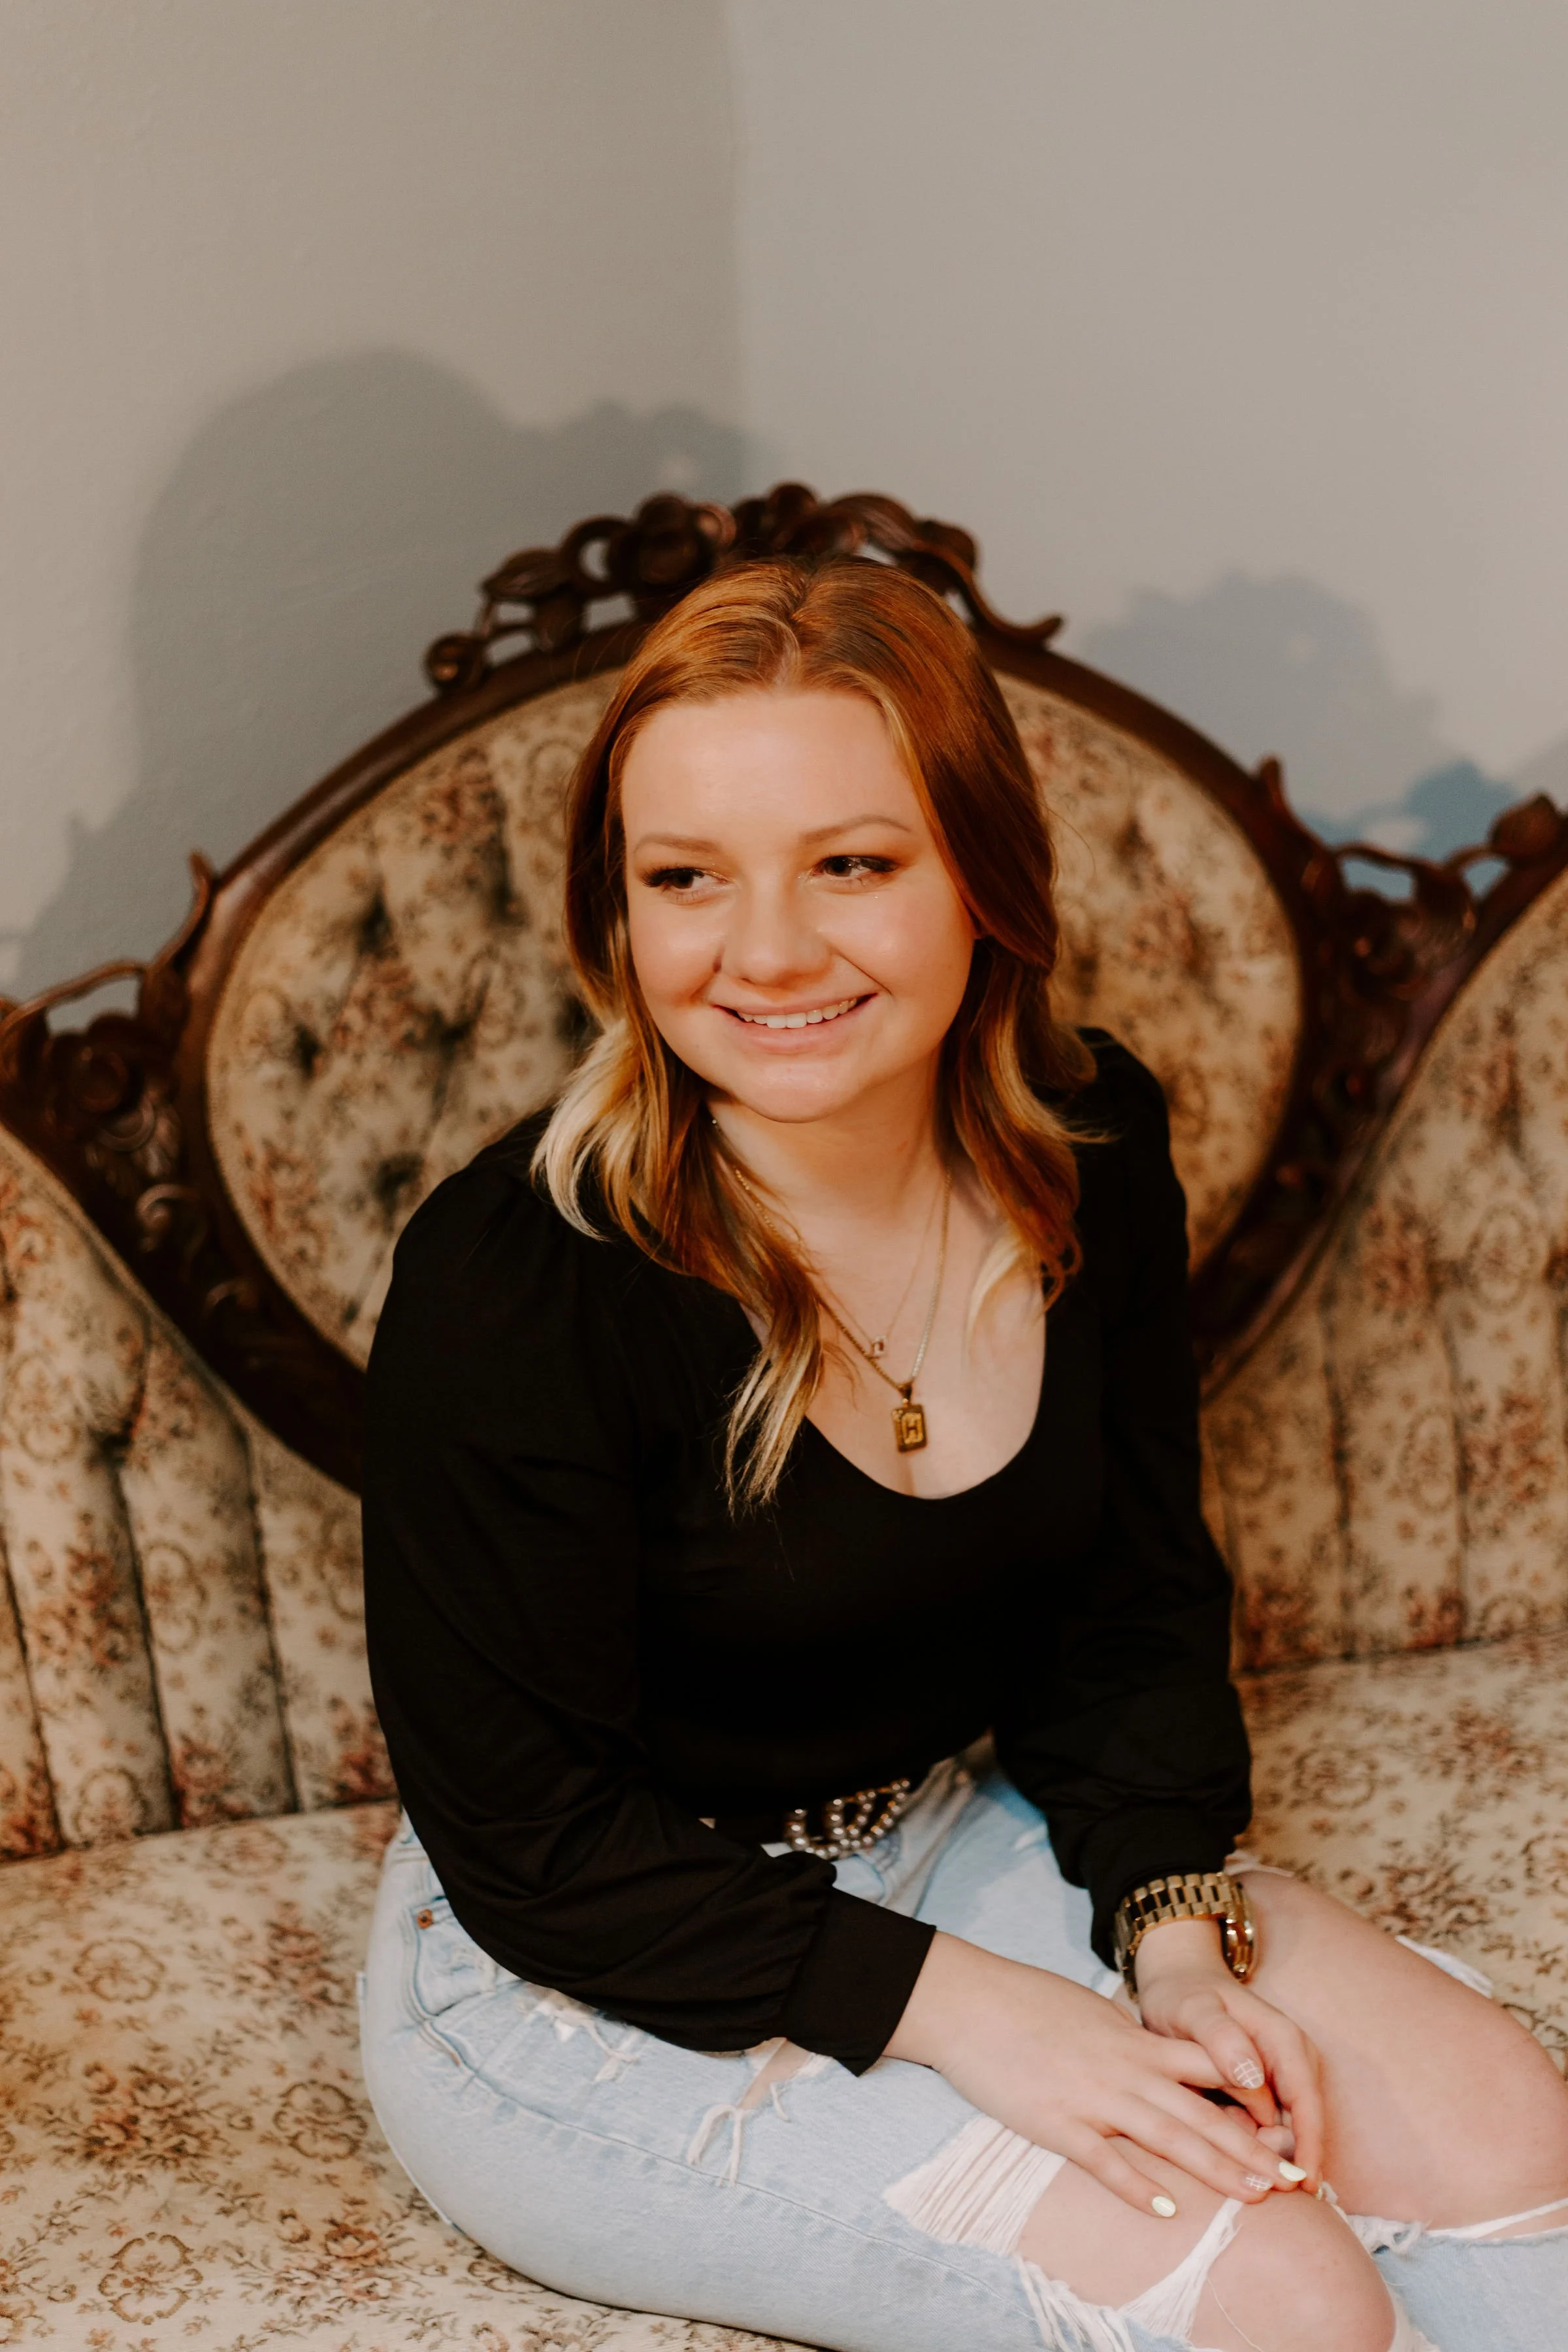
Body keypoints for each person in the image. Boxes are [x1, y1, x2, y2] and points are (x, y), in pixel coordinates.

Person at [359, 560, 1568, 2352]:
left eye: (851, 864)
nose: (763, 953)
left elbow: (1130, 1602)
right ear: (617, 920)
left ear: (985, 878)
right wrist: (996, 2014)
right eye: (687, 878)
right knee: (1285, 2297)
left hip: (935, 1827)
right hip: (582, 1956)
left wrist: (1165, 1928)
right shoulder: (518, 1285)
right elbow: (539, 1848)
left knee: (1510, 2140)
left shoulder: (1088, 1146)